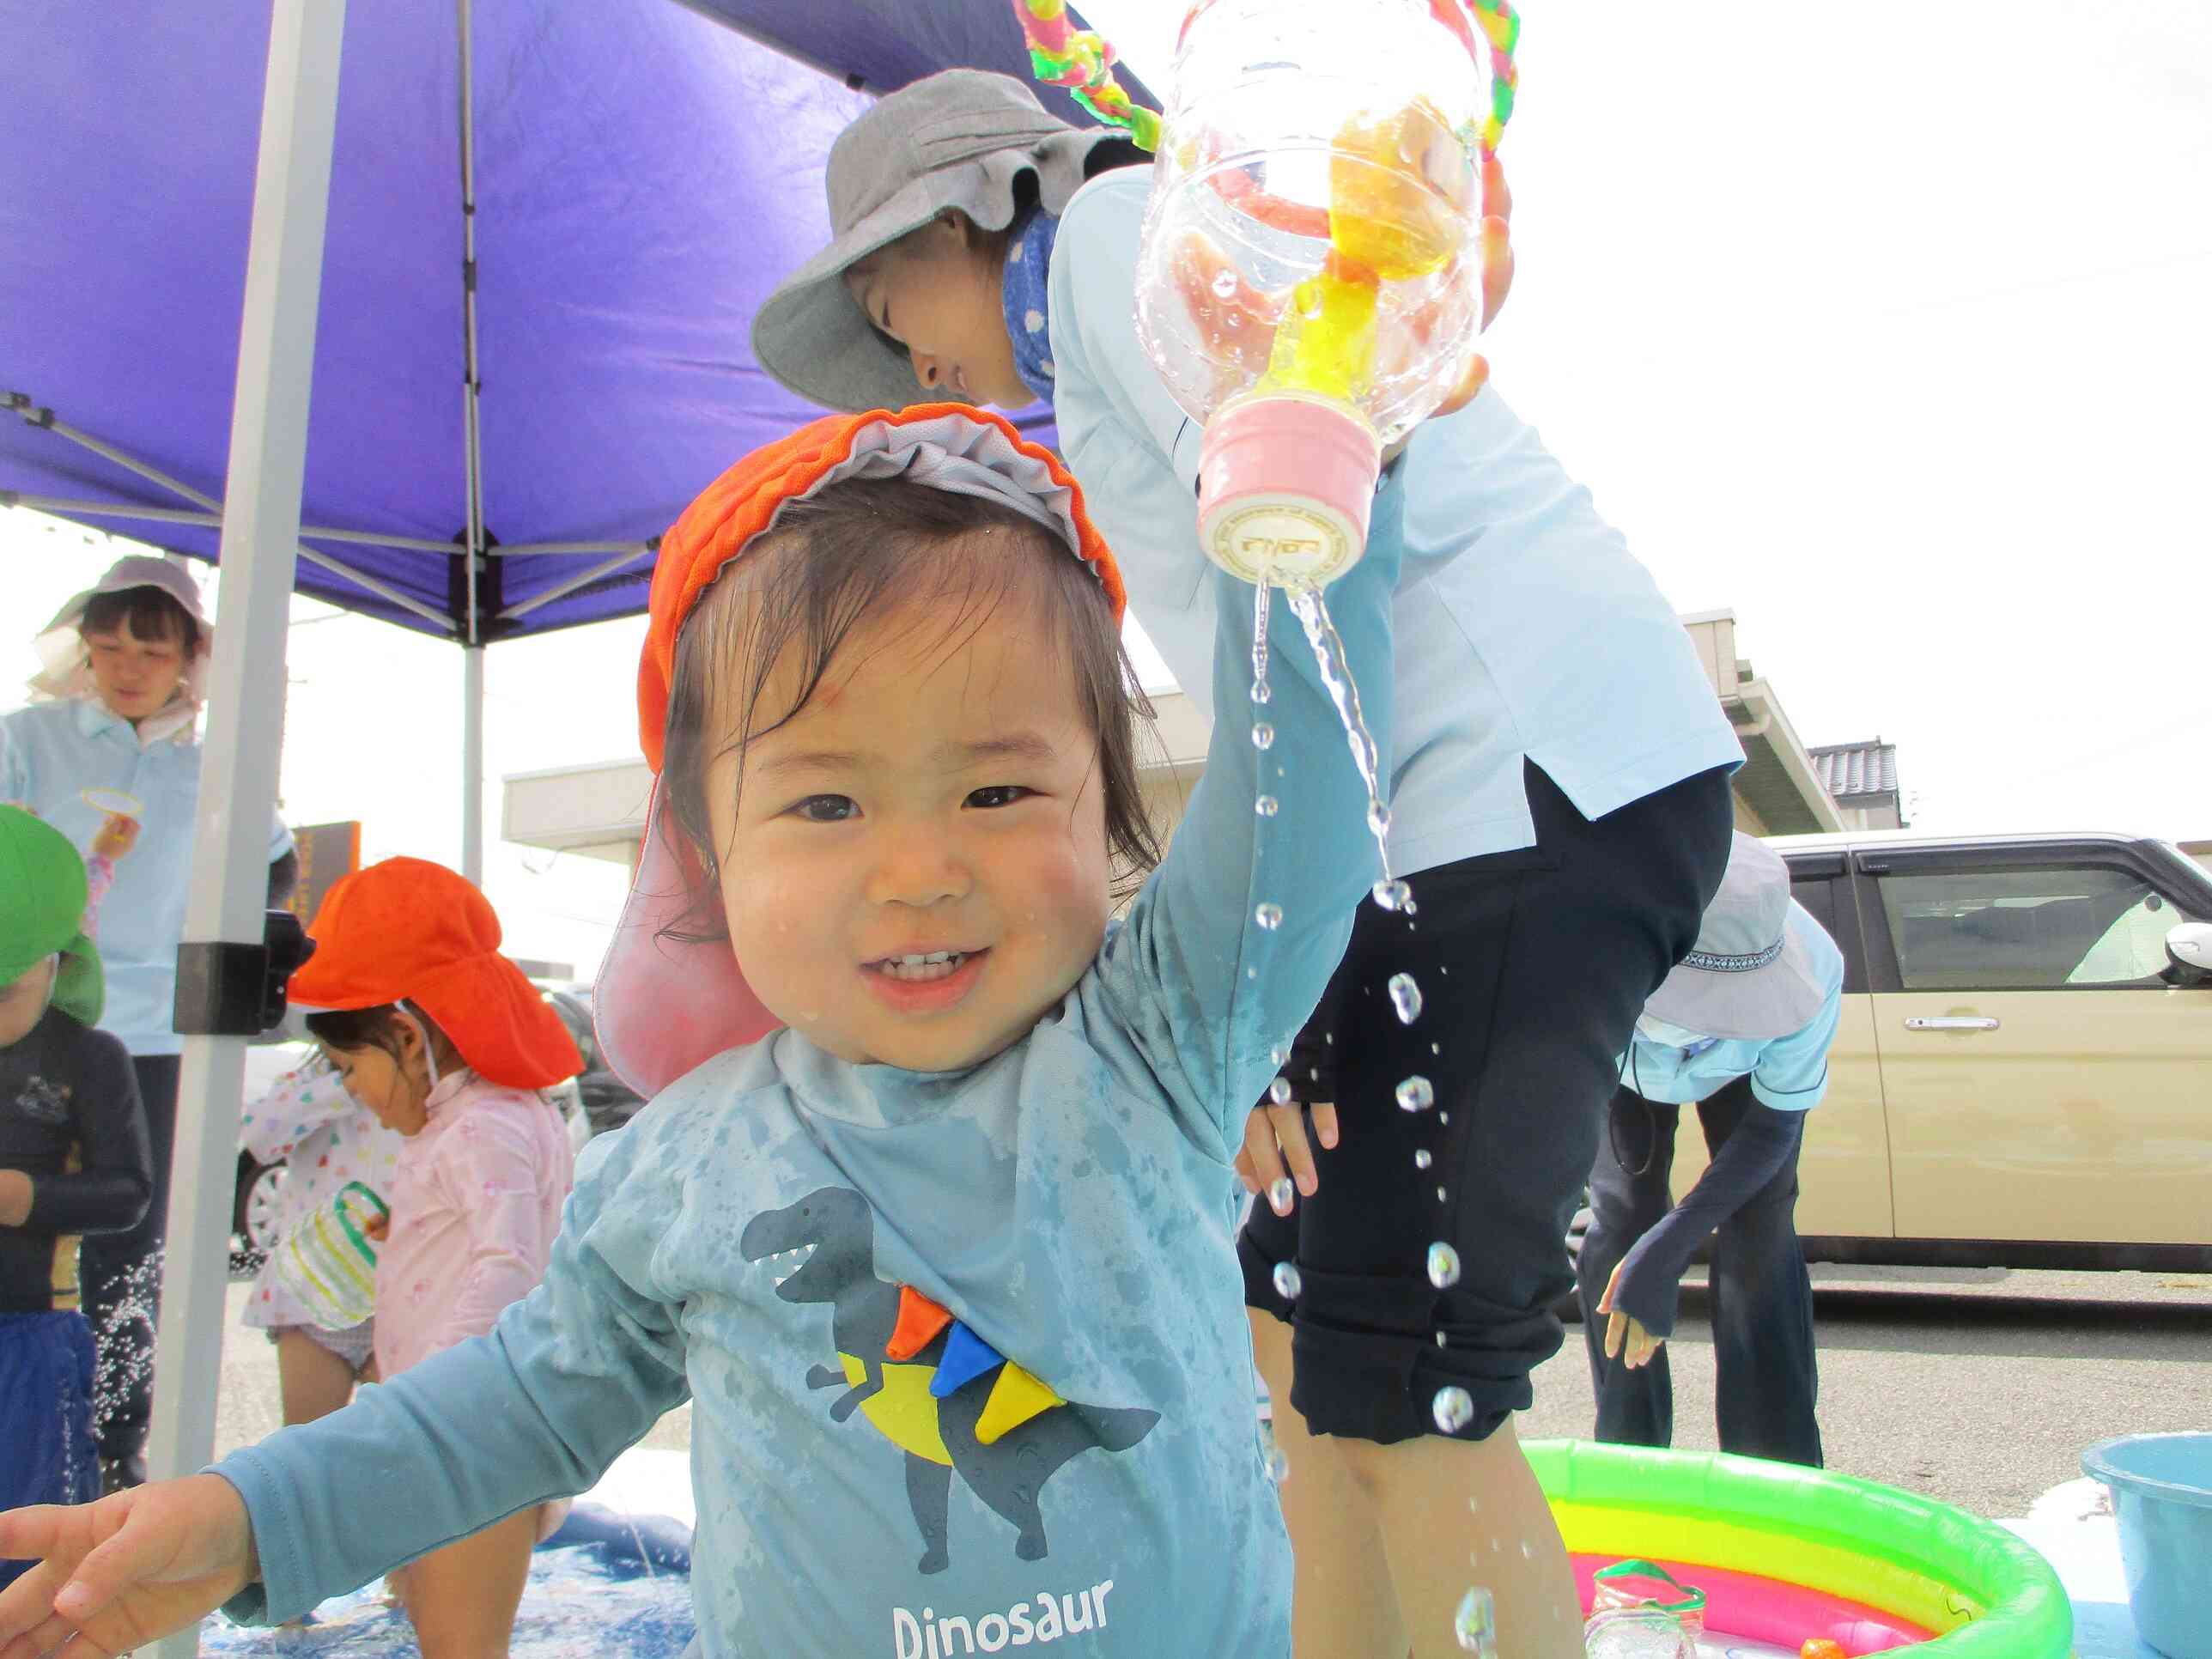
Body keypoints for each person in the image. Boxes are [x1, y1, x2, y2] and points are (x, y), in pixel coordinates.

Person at [0, 402, 1403, 1656]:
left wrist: (1325, 464)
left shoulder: (1156, 1039)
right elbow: (497, 1412)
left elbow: (1308, 799)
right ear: (708, 856)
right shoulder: (685, 1164)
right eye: (825, 803)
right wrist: (245, 1517)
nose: (916, 868)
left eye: (995, 793)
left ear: (1107, 805)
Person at [748, 70, 1741, 1656]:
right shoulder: (1099, 325)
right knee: (1290, 1337)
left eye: (887, 286)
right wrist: (1269, 991)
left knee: (1417, 1377)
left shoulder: (1116, 239)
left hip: (1517, 783)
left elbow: (1324, 494)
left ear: (969, 211)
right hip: (1425, 815)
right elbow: (1273, 668)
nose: (897, 339)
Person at [0, 556, 297, 1492]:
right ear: (84, 645)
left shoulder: (216, 766)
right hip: (31, 1022)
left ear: (190, 659)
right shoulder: (30, 739)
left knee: (133, 1247)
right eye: (110, 643)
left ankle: (114, 1448)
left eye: (152, 648)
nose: (127, 665)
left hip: (162, 1039)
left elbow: (274, 870)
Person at [270, 855, 580, 1656]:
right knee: (424, 1614)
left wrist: (425, 1403)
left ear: (406, 1035)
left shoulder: (482, 1125)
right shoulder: (476, 1118)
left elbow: (508, 1267)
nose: (351, 1093)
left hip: (471, 1436)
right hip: (457, 1433)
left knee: (458, 1643)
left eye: (348, 1069)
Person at [1577, 833, 1844, 1468]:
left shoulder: (1815, 967)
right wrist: (1644, 1250)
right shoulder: (1582, 971)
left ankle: (1775, 1468)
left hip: (1747, 1085)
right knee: (1621, 1230)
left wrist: (1673, 1246)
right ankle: (1629, 1461)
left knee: (1759, 1232)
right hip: (1624, 1076)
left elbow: (1774, 1130)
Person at [0, 808, 151, 1589]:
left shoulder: (87, 1058)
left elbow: (127, 1193)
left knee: (35, 1549)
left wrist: (26, 1196)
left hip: (32, 1335)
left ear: (58, 962)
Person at [237, 1052, 404, 1426]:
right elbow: (260, 1138)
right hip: (313, 1293)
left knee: (396, 1451)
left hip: (402, 1293)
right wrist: (345, 1085)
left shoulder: (420, 1078)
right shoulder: (308, 1080)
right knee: (305, 1452)